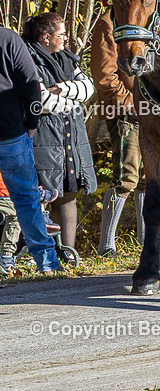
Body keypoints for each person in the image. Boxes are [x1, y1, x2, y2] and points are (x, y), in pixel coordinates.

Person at [22, 13, 97, 252]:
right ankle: (42, 255)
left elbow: (88, 88)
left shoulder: (67, 58)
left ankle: (68, 254)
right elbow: (40, 100)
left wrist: (62, 88)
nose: (66, 39)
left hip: (70, 136)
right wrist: (73, 101)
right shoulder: (28, 58)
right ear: (46, 37)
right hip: (43, 137)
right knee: (44, 195)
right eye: (61, 35)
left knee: (68, 194)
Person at [0, 24, 61, 273]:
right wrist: (33, 122)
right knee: (26, 199)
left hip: (11, 132)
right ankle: (47, 263)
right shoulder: (7, 38)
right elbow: (31, 83)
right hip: (10, 131)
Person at [91, 9, 145, 256]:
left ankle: (147, 242)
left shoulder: (147, 18)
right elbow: (104, 76)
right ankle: (106, 246)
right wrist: (131, 105)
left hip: (152, 111)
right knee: (126, 177)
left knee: (150, 178)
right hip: (126, 112)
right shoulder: (108, 23)